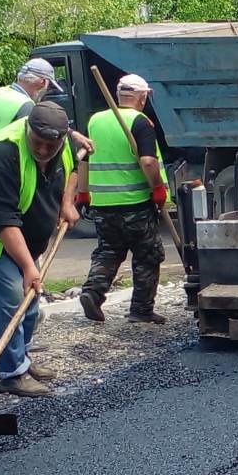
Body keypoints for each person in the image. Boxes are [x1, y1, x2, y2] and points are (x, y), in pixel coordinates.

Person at [0, 100, 78, 397]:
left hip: (24, 228)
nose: (45, 150)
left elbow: (75, 166)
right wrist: (27, 266)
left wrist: (66, 203)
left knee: (31, 296)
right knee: (9, 297)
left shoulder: (66, 140)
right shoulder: (0, 153)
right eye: (38, 143)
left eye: (52, 144)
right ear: (28, 130)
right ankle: (12, 373)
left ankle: (22, 358)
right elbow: (4, 220)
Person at [80, 73, 174, 326]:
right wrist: (157, 188)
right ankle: (141, 310)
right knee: (147, 255)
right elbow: (147, 160)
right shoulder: (140, 122)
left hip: (103, 205)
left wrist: (82, 192)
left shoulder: (95, 121)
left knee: (108, 252)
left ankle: (92, 292)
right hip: (135, 203)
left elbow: (84, 158)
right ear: (142, 97)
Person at [0, 57, 64, 139]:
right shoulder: (26, 105)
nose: (47, 90)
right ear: (42, 82)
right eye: (49, 86)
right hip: (11, 152)